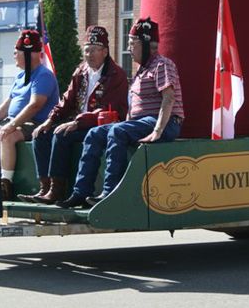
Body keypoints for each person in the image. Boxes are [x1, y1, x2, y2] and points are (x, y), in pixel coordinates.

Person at [56, 17, 184, 208]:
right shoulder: (142, 70)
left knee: (117, 132)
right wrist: (125, 122)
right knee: (94, 133)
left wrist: (157, 131)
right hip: (141, 122)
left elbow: (169, 98)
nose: (129, 49)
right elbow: (133, 108)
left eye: (132, 44)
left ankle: (110, 193)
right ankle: (81, 192)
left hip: (163, 122)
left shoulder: (162, 65)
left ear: (147, 44)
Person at [19, 26, 128, 204]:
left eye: (94, 50)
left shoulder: (116, 75)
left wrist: (78, 122)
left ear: (105, 51)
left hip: (100, 126)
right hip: (77, 122)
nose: (89, 54)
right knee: (41, 134)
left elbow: (111, 111)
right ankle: (45, 186)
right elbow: (66, 100)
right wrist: (50, 120)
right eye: (86, 50)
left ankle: (58, 189)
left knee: (61, 135)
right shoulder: (81, 71)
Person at [0, 29, 60, 200]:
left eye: (16, 52)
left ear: (28, 54)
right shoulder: (20, 77)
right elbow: (6, 106)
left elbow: (35, 105)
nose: (14, 55)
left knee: (7, 135)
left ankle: (5, 183)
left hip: (37, 124)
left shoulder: (44, 75)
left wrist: (11, 125)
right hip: (17, 122)